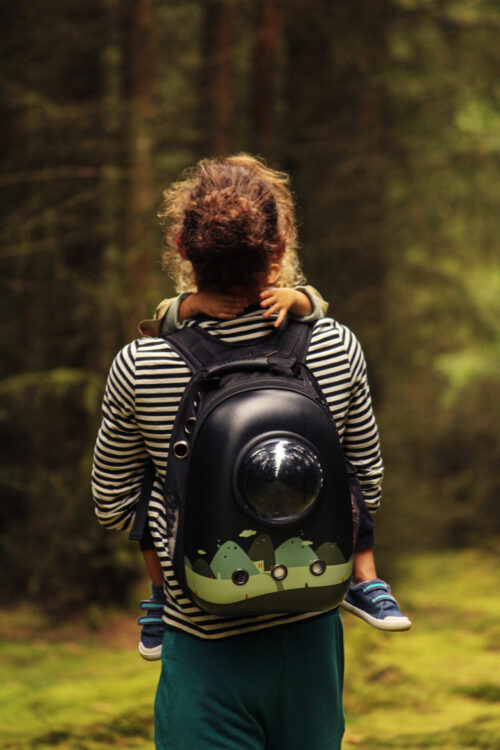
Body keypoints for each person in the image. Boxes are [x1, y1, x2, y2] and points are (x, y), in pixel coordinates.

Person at [92, 154, 400, 749]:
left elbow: (111, 503)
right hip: (311, 638)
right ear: (277, 245)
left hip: (202, 642)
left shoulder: (144, 364)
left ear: (183, 245)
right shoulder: (335, 347)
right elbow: (368, 482)